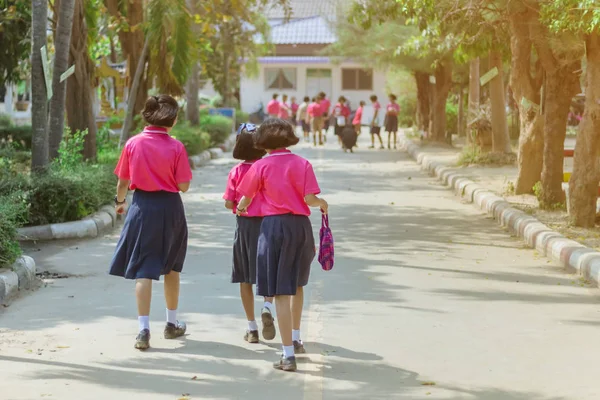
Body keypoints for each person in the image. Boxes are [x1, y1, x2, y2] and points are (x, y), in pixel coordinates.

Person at [236, 118, 329, 372]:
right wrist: (322, 204)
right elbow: (310, 198)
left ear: (263, 142)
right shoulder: (302, 164)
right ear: (288, 138)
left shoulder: (261, 166)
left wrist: (241, 208)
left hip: (273, 228)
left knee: (279, 291)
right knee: (297, 284)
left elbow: (246, 196)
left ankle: (288, 355)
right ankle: (297, 338)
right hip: (300, 228)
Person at [110, 95, 192, 350]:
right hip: (170, 208)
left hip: (142, 207)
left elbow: (123, 182)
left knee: (144, 269)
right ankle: (171, 323)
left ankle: (143, 330)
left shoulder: (133, 144)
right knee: (171, 268)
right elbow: (184, 186)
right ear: (173, 119)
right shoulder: (176, 147)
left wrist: (120, 201)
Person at [223, 123, 276, 344]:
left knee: (245, 277)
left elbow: (228, 203)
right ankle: (266, 306)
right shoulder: (268, 168)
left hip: (244, 228)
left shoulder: (236, 171)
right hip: (268, 225)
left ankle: (252, 328)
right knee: (268, 271)